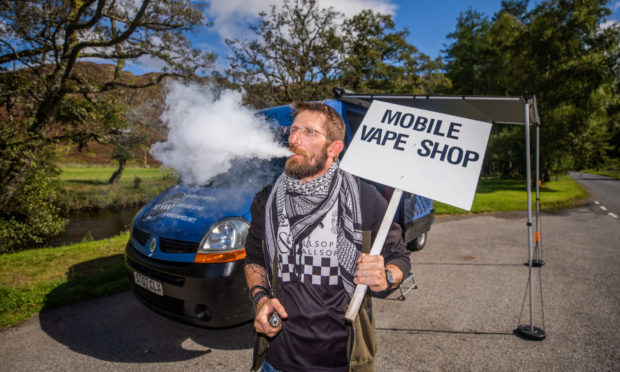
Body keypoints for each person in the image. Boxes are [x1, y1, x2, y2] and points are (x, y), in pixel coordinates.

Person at [244, 102, 411, 372]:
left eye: (309, 132)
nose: (294, 139)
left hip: (343, 362)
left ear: (334, 149)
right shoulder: (267, 200)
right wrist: (261, 299)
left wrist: (387, 276)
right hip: (277, 361)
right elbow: (253, 258)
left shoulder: (364, 197)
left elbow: (399, 258)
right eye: (293, 130)